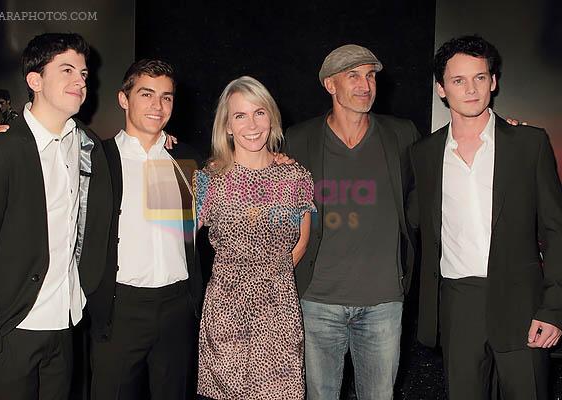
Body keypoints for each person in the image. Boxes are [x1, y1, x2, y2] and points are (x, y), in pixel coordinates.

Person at [411, 35, 562, 400]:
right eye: (458, 80)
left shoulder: (529, 144)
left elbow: (557, 230)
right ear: (441, 89)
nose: (471, 89)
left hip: (522, 304)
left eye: (480, 77)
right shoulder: (424, 154)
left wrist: (554, 307)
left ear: (493, 82)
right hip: (458, 304)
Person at [0, 33, 112, 400]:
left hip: (67, 326)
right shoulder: (0, 150)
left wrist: (167, 137)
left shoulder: (88, 145)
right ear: (35, 80)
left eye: (83, 73)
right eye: (67, 70)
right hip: (12, 333)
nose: (81, 80)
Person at [283, 45, 419, 399]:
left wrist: (502, 129)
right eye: (353, 75)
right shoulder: (298, 140)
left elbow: (440, 171)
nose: (365, 84)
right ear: (330, 84)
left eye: (371, 75)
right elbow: (250, 166)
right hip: (316, 301)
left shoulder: (402, 135)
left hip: (384, 302)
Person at [87, 59, 203, 400]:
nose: (157, 105)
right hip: (120, 308)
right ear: (124, 99)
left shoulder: (187, 159)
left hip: (178, 308)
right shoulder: (98, 159)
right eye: (146, 94)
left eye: (166, 97)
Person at [194, 76, 315, 399]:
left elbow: (301, 243)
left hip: (279, 311)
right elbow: (178, 242)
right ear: (228, 126)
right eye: (240, 115)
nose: (252, 124)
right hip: (225, 312)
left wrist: (270, 277)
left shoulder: (295, 176)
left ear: (271, 118)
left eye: (259, 113)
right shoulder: (208, 179)